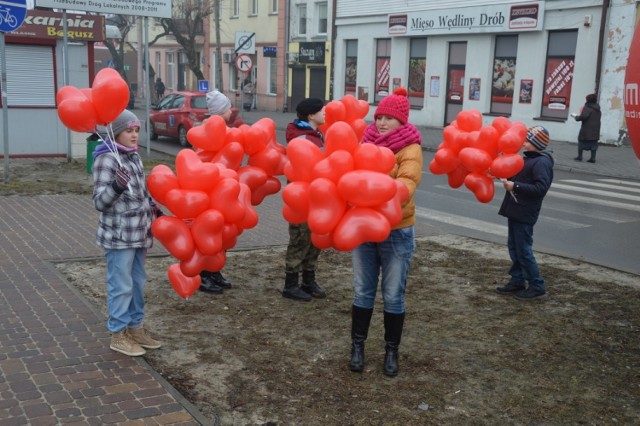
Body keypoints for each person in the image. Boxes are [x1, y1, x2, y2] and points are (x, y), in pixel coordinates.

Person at [348, 87, 423, 377]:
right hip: (364, 227)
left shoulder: (410, 148)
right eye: (378, 117)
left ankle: (391, 351)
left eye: (388, 119)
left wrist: (376, 188)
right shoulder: (365, 141)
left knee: (393, 294)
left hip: (396, 230)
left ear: (401, 121)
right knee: (363, 291)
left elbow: (407, 184)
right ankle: (358, 347)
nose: (380, 123)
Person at [92, 109, 163, 356]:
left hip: (139, 233)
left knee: (137, 283)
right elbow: (100, 202)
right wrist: (116, 186)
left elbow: (142, 193)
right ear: (116, 133)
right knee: (120, 285)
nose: (134, 136)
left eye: (136, 131)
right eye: (128, 131)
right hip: (119, 236)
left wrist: (155, 208)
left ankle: (135, 328)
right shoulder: (106, 159)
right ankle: (118, 333)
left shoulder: (133, 157)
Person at [497, 125, 554, 301]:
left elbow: (540, 188)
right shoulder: (527, 159)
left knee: (524, 250)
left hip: (525, 212)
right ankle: (518, 280)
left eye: (527, 140)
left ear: (536, 143)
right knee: (514, 247)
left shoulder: (542, 162)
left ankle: (537, 286)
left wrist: (516, 186)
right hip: (515, 210)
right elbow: (517, 177)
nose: (523, 143)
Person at [283, 98, 327, 302]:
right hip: (301, 199)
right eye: (322, 110)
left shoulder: (315, 134)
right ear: (311, 115)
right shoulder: (301, 138)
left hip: (317, 196)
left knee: (314, 240)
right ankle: (290, 284)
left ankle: (308, 280)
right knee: (300, 240)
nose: (325, 113)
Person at [198, 90, 234, 294]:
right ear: (221, 111)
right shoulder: (211, 130)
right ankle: (204, 274)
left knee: (221, 236)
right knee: (209, 235)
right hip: (210, 191)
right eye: (228, 108)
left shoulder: (225, 131)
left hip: (222, 190)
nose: (231, 111)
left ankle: (215, 271)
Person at [572, 93, 601, 163]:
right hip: (596, 129)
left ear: (588, 100)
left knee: (581, 142)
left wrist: (576, 117)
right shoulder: (598, 109)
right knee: (593, 143)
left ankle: (580, 156)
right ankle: (593, 158)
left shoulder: (587, 108)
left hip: (586, 129)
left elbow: (583, 117)